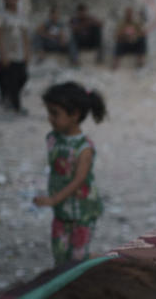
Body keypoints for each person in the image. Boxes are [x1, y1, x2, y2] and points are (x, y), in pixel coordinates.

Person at [33, 82, 106, 266]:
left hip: (82, 210)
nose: (50, 118)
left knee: (78, 257)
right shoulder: (53, 139)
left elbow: (78, 180)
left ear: (75, 115)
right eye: (49, 112)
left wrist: (53, 199)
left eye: (55, 113)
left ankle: (104, 263)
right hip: (62, 210)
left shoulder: (84, 148)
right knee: (60, 255)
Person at [0, 0, 30, 113]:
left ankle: (9, 97)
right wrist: (2, 53)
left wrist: (27, 52)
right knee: (12, 79)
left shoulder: (21, 15)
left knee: (23, 76)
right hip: (7, 52)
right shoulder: (0, 15)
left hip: (19, 51)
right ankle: (17, 106)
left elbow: (25, 35)